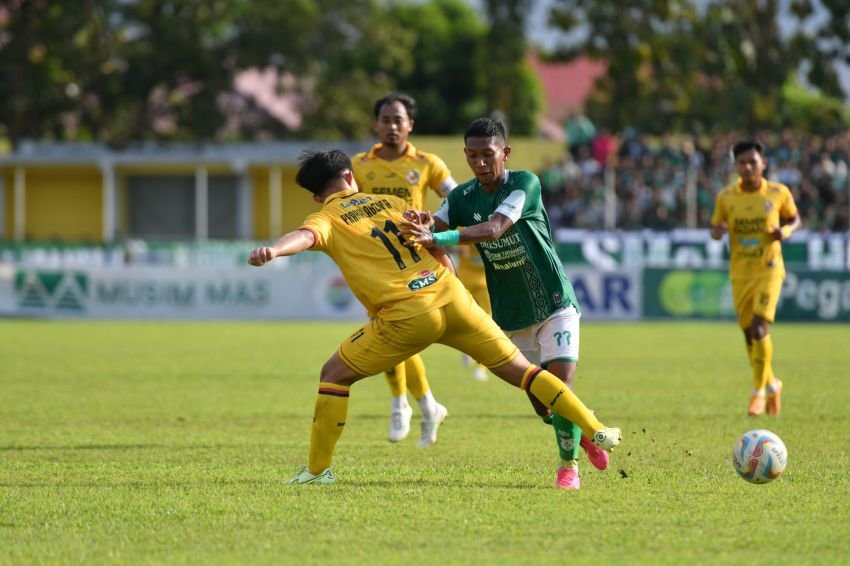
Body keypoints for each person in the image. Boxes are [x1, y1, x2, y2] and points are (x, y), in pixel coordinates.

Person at [247, 149, 621, 486]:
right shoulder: (386, 203)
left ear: (316, 195)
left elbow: (304, 236)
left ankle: (316, 472)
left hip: (407, 315)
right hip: (454, 298)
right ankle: (596, 426)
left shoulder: (326, 216)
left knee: (334, 375)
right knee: (524, 373)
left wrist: (273, 251)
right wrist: (451, 287)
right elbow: (428, 241)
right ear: (349, 176)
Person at [400, 117, 611, 490]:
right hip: (512, 316)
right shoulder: (462, 197)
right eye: (472, 155)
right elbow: (435, 221)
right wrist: (422, 222)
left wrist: (439, 234)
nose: (480, 163)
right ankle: (579, 428)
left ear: (505, 153)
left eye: (488, 154)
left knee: (559, 385)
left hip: (554, 301)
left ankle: (568, 466)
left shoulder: (524, 183)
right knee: (544, 405)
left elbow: (495, 228)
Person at [351, 92, 457, 447]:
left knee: (396, 333)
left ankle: (403, 406)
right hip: (376, 264)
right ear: (376, 124)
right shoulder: (360, 165)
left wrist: (436, 220)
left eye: (399, 120)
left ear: (410, 125)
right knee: (389, 334)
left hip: (415, 262)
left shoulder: (427, 163)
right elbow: (344, 206)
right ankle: (424, 405)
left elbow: (456, 196)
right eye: (386, 120)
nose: (392, 126)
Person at [710, 140, 801, 416]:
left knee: (761, 328)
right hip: (740, 272)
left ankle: (758, 392)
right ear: (736, 166)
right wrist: (717, 231)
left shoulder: (778, 192)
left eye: (753, 161)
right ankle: (773, 385)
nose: (748, 167)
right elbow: (715, 227)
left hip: (769, 268)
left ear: (764, 163)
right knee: (750, 336)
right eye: (742, 162)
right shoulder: (726, 197)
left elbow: (796, 219)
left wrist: (785, 232)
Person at [456, 244, 491, 381]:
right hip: (466, 280)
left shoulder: (491, 228)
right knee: (463, 319)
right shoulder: (462, 224)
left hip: (484, 281)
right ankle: (467, 348)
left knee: (488, 324)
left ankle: (481, 368)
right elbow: (438, 238)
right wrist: (456, 248)